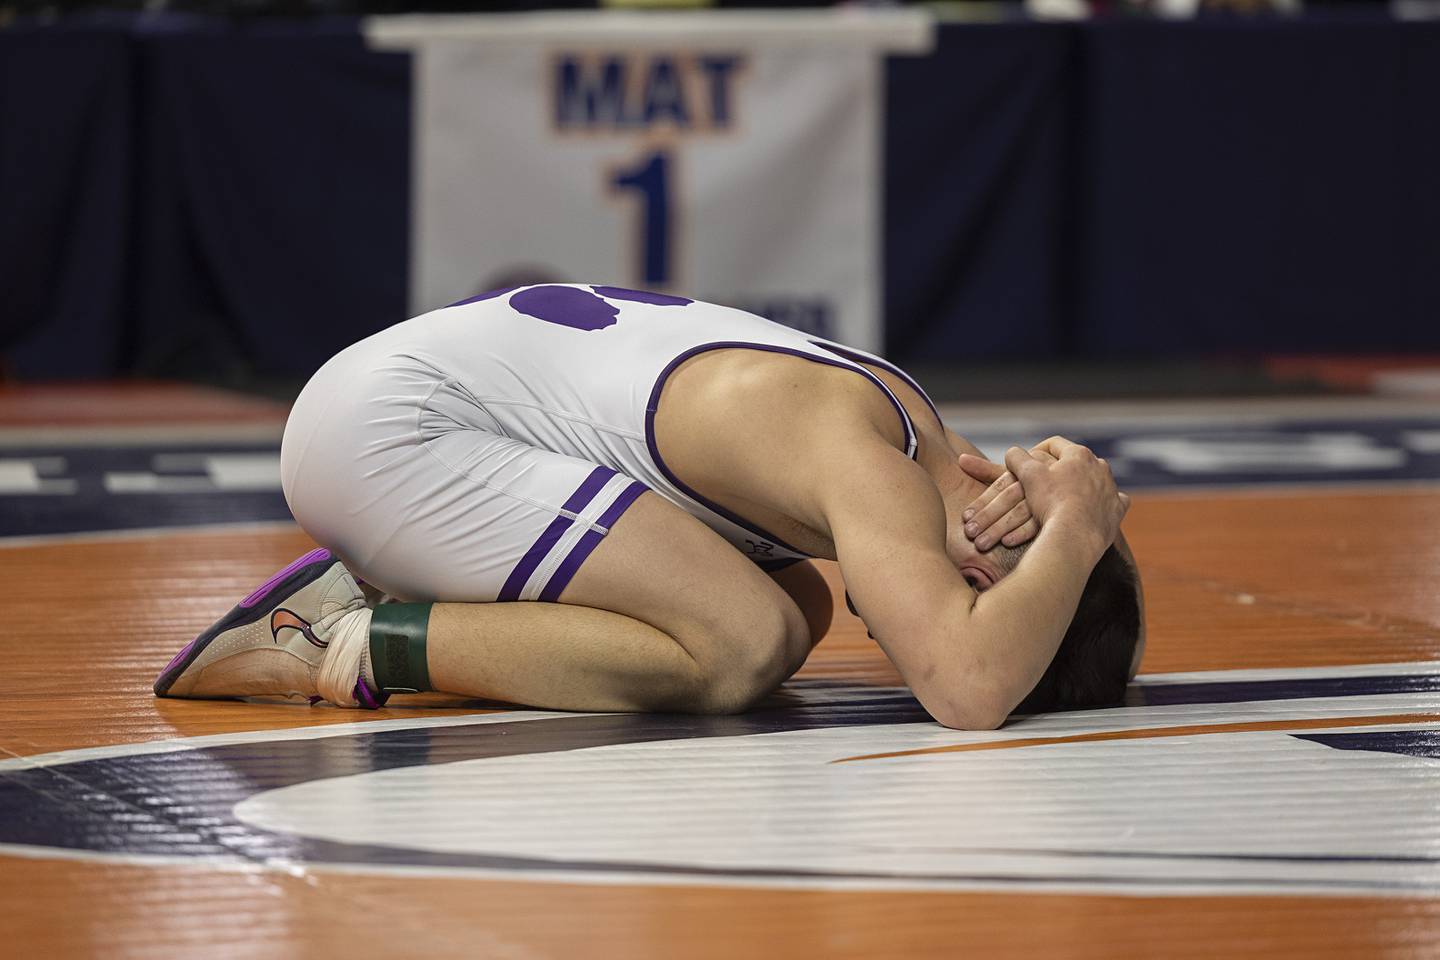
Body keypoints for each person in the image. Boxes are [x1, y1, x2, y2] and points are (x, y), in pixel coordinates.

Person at [154, 284, 1143, 729]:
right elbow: (969, 691)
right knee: (741, 641)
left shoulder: (908, 432)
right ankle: (331, 639)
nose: (879, 634)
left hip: (402, 405)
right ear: (979, 572)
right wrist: (1079, 530)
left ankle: (387, 588)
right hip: (387, 432)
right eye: (968, 606)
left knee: (792, 606)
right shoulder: (871, 465)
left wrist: (1075, 528)